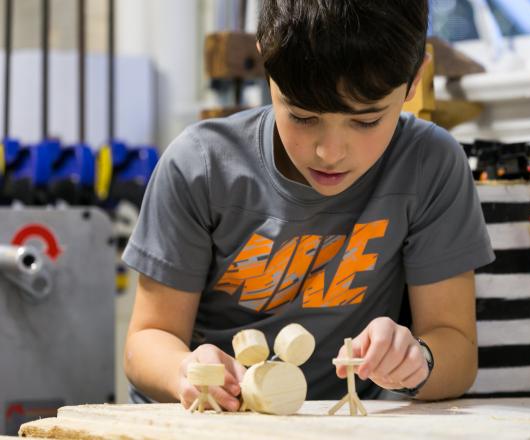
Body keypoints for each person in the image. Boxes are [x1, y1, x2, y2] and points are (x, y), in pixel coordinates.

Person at [122, 0, 494, 411]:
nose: (329, 152)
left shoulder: (429, 164)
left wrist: (417, 360)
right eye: (302, 116)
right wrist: (186, 372)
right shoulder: (201, 166)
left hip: (342, 421)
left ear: (414, 81)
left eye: (366, 121)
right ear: (267, 63)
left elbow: (457, 351)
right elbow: (145, 342)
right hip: (206, 422)